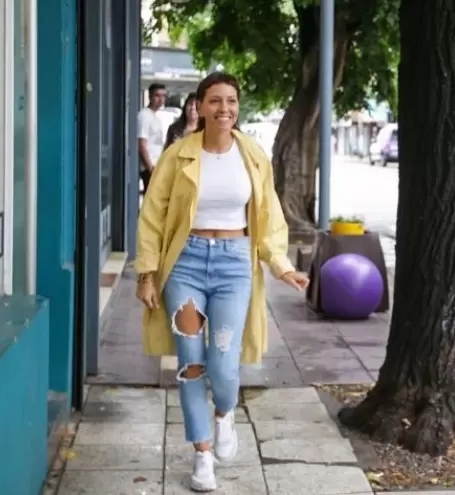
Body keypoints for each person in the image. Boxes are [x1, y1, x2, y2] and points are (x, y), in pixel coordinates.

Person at [134, 72, 310, 492]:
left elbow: (268, 215)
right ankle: (202, 455)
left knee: (225, 363)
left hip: (234, 265)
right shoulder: (178, 156)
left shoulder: (252, 156)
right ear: (198, 106)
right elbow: (153, 216)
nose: (224, 109)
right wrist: (146, 273)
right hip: (186, 264)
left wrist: (281, 264)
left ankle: (224, 414)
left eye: (231, 101)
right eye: (214, 100)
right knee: (191, 362)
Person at [138, 83, 168, 194]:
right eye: (157, 95)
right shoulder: (144, 116)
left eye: (163, 96)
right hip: (149, 168)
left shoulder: (156, 117)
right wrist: (150, 169)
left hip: (157, 167)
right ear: (150, 96)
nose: (161, 99)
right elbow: (141, 144)